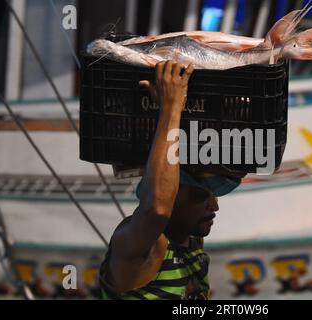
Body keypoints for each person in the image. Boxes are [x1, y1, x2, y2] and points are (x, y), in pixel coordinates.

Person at [99, 60, 242, 300]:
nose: (214, 206)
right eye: (200, 196)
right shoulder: (137, 246)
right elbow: (157, 208)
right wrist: (171, 107)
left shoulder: (190, 240)